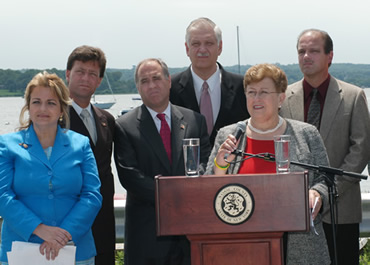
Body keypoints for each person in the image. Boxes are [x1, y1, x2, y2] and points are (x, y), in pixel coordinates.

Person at [206, 63, 331, 264]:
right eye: (251, 92)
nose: (256, 99)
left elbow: (326, 179)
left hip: (299, 249)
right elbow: (207, 190)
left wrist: (317, 194)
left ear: (281, 97)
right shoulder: (227, 136)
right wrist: (220, 165)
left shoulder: (306, 134)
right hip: (240, 248)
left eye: (264, 92)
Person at [279, 29, 370, 265]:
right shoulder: (284, 97)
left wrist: (327, 191)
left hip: (340, 209)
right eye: (301, 51)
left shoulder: (353, 95)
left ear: (329, 56)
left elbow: (360, 150)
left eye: (314, 51)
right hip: (293, 210)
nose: (306, 56)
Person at [114, 58, 211, 265]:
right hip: (147, 236)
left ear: (169, 81)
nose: (152, 85)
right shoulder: (124, 126)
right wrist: (175, 196)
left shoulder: (195, 120)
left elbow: (205, 163)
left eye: (156, 78)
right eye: (144, 81)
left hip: (190, 232)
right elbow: (130, 176)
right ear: (138, 88)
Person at [0, 72, 102, 264]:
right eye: (36, 102)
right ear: (28, 107)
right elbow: (2, 195)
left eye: (51, 103)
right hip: (20, 251)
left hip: (75, 251)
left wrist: (63, 235)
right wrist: (39, 229)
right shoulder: (6, 145)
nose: (43, 108)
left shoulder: (81, 144)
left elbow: (92, 195)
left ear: (62, 109)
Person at [66, 45, 116, 265]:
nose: (85, 78)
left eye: (92, 74)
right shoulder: (53, 119)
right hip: (66, 226)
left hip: (103, 225)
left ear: (99, 80)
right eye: (80, 71)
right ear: (68, 74)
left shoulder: (107, 119)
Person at [170, 17, 249, 146]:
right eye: (196, 44)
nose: (202, 49)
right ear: (187, 48)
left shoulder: (243, 87)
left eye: (209, 43)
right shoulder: (170, 89)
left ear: (220, 47)